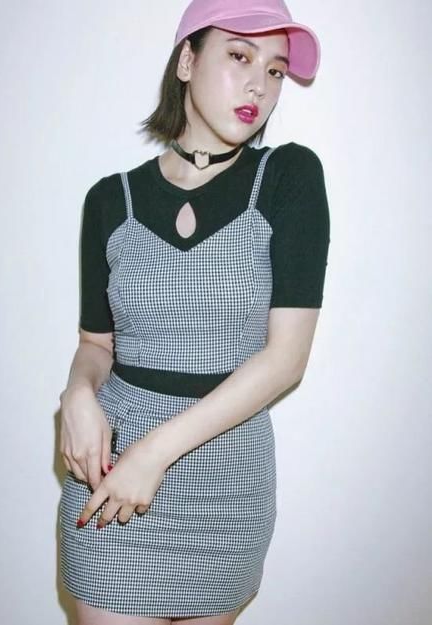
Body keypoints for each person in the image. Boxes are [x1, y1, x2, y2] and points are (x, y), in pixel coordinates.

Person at [58, 0, 331, 623]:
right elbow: (96, 344)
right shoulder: (110, 199)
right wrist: (77, 394)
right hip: (110, 479)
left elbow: (286, 359)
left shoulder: (287, 177)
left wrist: (153, 455)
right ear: (187, 61)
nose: (260, 85)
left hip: (226, 484)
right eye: (239, 56)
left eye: (275, 70)